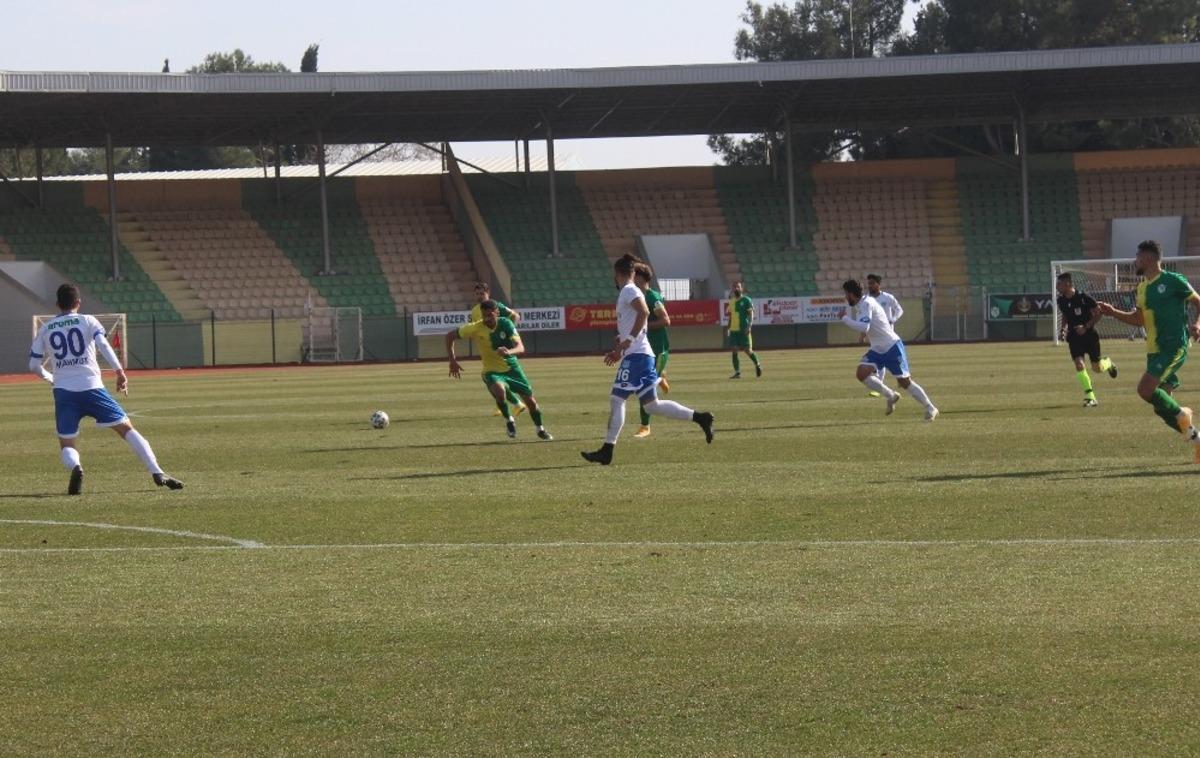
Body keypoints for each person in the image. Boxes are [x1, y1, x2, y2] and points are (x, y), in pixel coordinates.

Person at [28, 284, 184, 495]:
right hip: (92, 387)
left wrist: (51, 378)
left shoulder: (46, 328)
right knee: (127, 429)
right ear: (78, 303)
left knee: (67, 442)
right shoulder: (88, 320)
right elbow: (103, 345)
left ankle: (76, 467)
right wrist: (119, 372)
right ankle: (156, 471)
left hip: (64, 391)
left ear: (57, 304)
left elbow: (33, 366)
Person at [581, 254, 713, 465]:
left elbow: (644, 312)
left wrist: (628, 341)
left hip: (637, 356)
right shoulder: (630, 291)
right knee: (651, 406)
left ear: (618, 274)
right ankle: (700, 417)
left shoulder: (628, 289)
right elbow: (638, 321)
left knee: (617, 400)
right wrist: (620, 348)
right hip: (638, 355)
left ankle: (607, 450)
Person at [1096, 240, 1200, 458]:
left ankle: (1182, 414)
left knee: (1145, 389)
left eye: (1138, 256)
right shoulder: (1142, 287)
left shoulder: (1173, 281)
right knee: (1160, 407)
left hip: (1174, 346)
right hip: (1154, 350)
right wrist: (1113, 311)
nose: (1135, 261)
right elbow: (1139, 319)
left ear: (1149, 258)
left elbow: (1198, 302)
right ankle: (1196, 439)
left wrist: (1198, 324)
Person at [447, 299, 551, 440]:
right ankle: (509, 420)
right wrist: (452, 360)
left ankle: (540, 429)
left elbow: (521, 347)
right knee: (500, 391)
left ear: (497, 312)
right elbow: (449, 336)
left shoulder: (506, 323)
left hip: (512, 368)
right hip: (491, 370)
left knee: (531, 402)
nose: (487, 318)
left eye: (490, 315)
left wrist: (509, 352)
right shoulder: (476, 327)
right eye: (484, 315)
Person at [841, 278, 939, 421]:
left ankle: (931, 408)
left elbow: (864, 327)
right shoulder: (863, 303)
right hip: (877, 349)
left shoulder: (866, 303)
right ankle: (891, 395)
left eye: (846, 294)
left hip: (891, 346)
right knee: (861, 373)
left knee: (905, 382)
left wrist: (844, 319)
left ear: (850, 293)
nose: (845, 297)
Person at [1055, 272, 1118, 407]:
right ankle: (1090, 397)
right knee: (1079, 365)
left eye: (1059, 284)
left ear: (1068, 284)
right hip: (1074, 337)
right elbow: (1065, 315)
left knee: (1097, 368)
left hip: (1090, 336)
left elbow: (1098, 313)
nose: (1056, 286)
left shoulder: (1084, 298)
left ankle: (1108, 363)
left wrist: (1085, 327)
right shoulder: (1061, 300)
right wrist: (1063, 329)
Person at [469, 282, 525, 418]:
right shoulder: (475, 310)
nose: (479, 296)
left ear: (488, 293)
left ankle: (516, 403)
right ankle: (507, 404)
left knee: (490, 376)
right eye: (477, 294)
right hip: (488, 349)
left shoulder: (496, 306)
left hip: (499, 347)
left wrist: (507, 331)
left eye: (482, 293)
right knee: (493, 378)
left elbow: (515, 316)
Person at [633, 263, 672, 438]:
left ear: (640, 277)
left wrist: (645, 326)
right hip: (644, 349)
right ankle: (660, 378)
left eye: (634, 275)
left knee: (644, 388)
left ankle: (645, 426)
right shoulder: (636, 297)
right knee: (643, 385)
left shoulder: (652, 296)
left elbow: (666, 320)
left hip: (657, 349)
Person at [862, 273, 904, 395]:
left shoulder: (887, 297)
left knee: (883, 357)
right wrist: (864, 332)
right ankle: (887, 383)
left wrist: (893, 319)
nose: (869, 286)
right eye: (868, 283)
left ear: (879, 284)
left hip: (887, 333)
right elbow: (864, 318)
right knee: (881, 358)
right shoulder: (866, 300)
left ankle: (887, 383)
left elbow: (899, 310)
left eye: (872, 283)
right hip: (874, 334)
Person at [726, 281, 761, 379]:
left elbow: (751, 314)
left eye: (738, 287)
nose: (736, 288)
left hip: (743, 329)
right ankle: (737, 373)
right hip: (734, 330)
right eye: (734, 287)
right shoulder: (731, 301)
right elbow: (730, 316)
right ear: (732, 289)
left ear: (741, 289)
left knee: (748, 350)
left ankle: (757, 365)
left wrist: (749, 326)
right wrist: (728, 328)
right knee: (734, 350)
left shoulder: (746, 300)